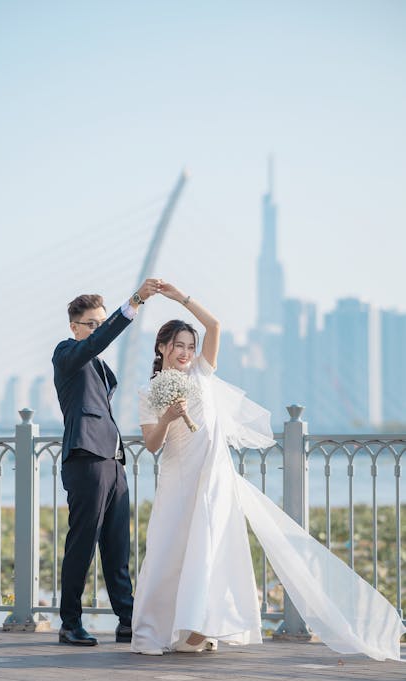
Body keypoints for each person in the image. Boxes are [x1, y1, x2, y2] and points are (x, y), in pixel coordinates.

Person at [131, 282, 405, 660]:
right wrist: (168, 416)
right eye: (179, 345)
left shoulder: (203, 375)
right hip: (178, 478)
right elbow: (151, 444)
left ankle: (195, 629)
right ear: (162, 347)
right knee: (166, 551)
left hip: (214, 478)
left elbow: (215, 326)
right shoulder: (148, 393)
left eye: (190, 347)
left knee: (208, 551)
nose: (186, 353)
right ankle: (148, 633)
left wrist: (180, 297)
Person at [53, 279, 161, 646]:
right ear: (75, 327)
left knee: (117, 546)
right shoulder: (67, 354)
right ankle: (70, 622)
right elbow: (97, 343)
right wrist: (133, 303)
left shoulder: (98, 367)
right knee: (82, 545)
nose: (97, 329)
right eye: (92, 323)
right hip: (86, 459)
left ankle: (127, 620)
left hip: (114, 462)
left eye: (102, 322)